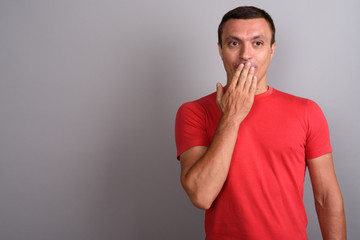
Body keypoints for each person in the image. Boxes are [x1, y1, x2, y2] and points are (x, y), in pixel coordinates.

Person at [175, 6, 346, 240]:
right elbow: (201, 195)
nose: (246, 55)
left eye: (257, 43)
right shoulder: (194, 112)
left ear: (272, 49)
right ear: (220, 50)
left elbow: (326, 197)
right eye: (234, 43)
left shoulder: (307, 111)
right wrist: (232, 117)